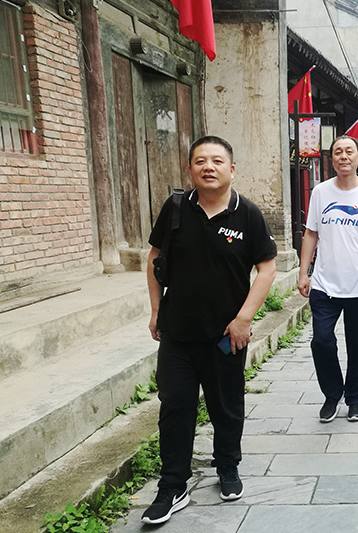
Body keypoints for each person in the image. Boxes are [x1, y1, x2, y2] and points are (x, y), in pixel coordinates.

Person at [144, 136, 278, 524]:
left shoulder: (247, 214)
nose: (209, 167)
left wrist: (244, 318)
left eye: (217, 161)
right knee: (175, 406)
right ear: (190, 169)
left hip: (225, 335)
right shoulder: (175, 209)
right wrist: (156, 310)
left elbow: (267, 268)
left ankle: (227, 466)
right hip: (178, 332)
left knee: (226, 405)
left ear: (231, 169)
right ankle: (172, 485)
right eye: (200, 160)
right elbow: (155, 259)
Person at [298, 135, 358, 423]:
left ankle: (355, 398)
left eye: (349, 151)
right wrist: (303, 272)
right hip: (324, 283)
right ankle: (332, 394)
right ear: (332, 158)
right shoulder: (321, 192)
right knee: (321, 341)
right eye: (338, 152)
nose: (343, 156)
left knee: (357, 346)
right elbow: (311, 233)